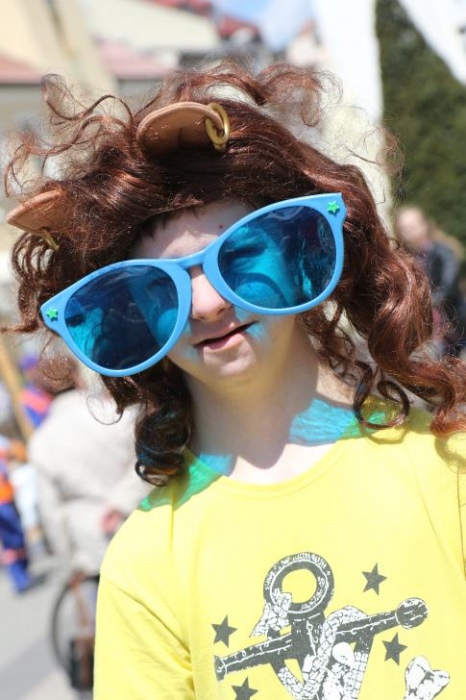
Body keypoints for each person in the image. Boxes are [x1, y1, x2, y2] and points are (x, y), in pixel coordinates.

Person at [3, 59, 466, 699]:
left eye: (241, 256)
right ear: (132, 320)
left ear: (300, 250)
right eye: (157, 288)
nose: (207, 303)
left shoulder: (448, 467)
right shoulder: (146, 565)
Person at [26, 356, 149, 579]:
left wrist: (68, 561)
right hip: (143, 521)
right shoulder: (117, 413)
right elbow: (148, 460)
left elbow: (51, 510)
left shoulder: (41, 443)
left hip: (93, 545)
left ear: (43, 392)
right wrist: (119, 502)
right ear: (78, 378)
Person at [394, 205, 466, 358]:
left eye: (413, 226)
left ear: (424, 225)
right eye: (404, 229)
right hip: (421, 326)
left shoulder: (444, 252)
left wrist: (426, 302)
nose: (409, 232)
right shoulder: (401, 259)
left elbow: (449, 286)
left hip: (452, 320)